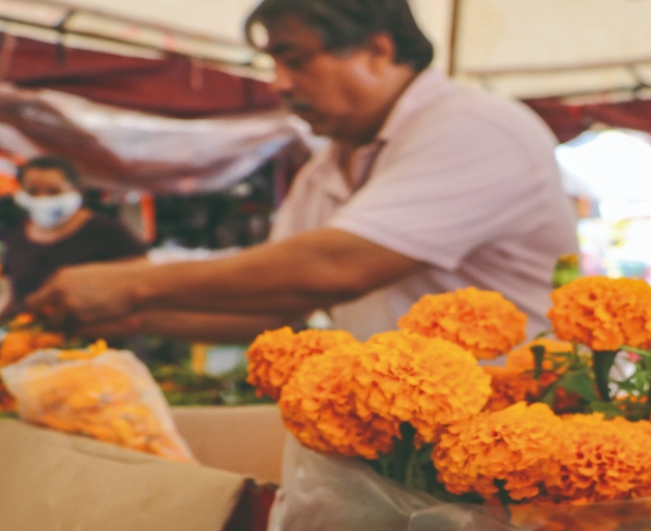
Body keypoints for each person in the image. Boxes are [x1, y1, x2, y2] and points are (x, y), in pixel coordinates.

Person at [25, 0, 579, 344]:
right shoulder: (331, 164)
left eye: (295, 58)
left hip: (521, 433)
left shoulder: (474, 127)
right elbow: (279, 305)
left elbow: (338, 267)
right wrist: (138, 318)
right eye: (274, 63)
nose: (279, 84)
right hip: (413, 442)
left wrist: (131, 282)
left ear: (377, 51)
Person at [0, 156, 147, 319]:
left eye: (53, 191)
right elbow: (12, 296)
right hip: (33, 336)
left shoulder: (107, 232)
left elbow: (142, 280)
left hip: (100, 337)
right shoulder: (17, 237)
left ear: (76, 190)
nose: (43, 199)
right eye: (33, 191)